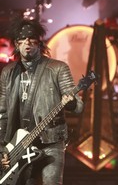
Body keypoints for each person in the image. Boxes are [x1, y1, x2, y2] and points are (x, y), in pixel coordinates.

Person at [0, 17, 84, 185]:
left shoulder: (57, 68)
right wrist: (2, 148)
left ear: (39, 43)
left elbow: (78, 106)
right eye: (22, 40)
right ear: (16, 44)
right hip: (17, 145)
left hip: (50, 141)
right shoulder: (8, 72)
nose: (27, 43)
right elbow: (2, 113)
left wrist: (72, 102)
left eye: (32, 39)